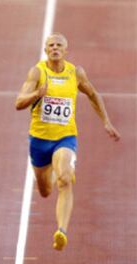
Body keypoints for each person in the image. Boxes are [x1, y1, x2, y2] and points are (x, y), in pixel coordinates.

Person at [15, 33, 120, 251]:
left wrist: (106, 121)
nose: (55, 48)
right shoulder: (37, 72)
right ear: (45, 50)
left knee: (65, 180)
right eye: (51, 45)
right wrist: (36, 94)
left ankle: (61, 231)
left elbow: (93, 94)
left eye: (59, 45)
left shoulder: (76, 72)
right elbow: (19, 102)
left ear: (66, 50)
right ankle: (54, 169)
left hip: (65, 137)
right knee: (45, 191)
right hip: (39, 140)